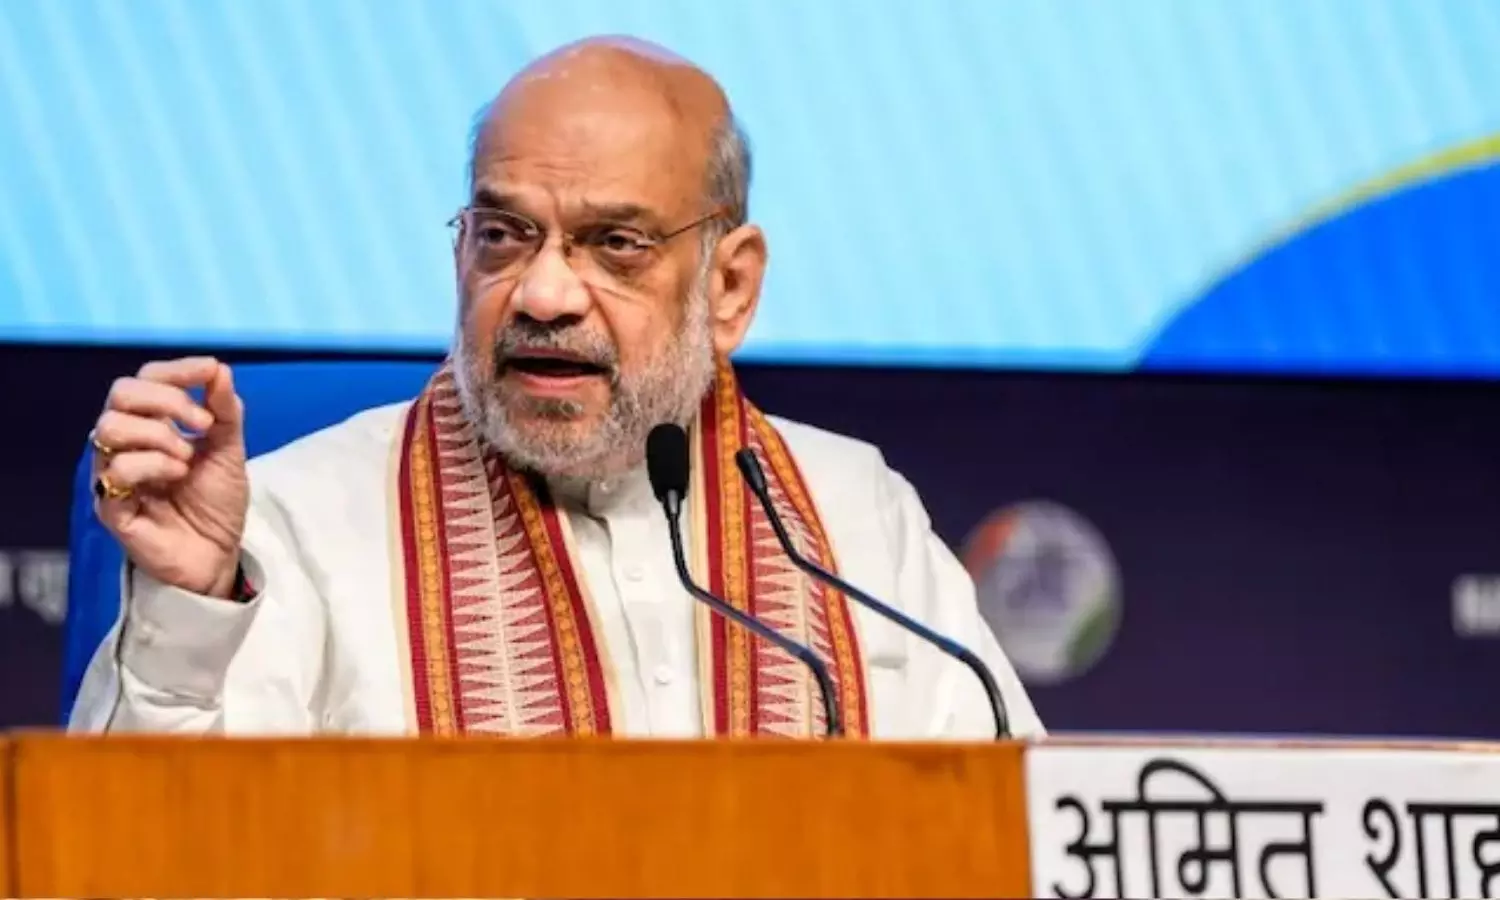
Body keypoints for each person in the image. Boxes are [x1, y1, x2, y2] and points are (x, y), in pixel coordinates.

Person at [68, 36, 1044, 740]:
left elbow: (1015, 833)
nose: (542, 294)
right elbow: (142, 855)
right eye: (503, 235)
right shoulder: (301, 518)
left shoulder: (851, 517)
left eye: (615, 244)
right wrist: (191, 609)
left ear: (730, 287)